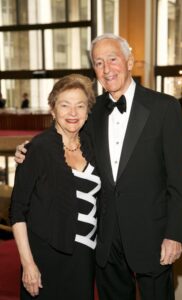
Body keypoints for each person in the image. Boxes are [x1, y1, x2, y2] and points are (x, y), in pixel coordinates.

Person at [14, 33, 182, 300]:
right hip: (105, 243)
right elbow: (64, 137)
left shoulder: (164, 108)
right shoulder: (92, 113)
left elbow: (180, 180)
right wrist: (27, 149)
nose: (106, 69)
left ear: (129, 61)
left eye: (112, 59)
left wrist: (175, 234)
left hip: (152, 238)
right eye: (98, 63)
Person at [10, 74, 101, 300]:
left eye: (80, 106)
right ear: (52, 110)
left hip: (84, 258)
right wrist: (28, 264)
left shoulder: (93, 145)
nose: (73, 113)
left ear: (88, 111)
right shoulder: (37, 149)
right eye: (65, 105)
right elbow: (17, 211)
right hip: (44, 258)